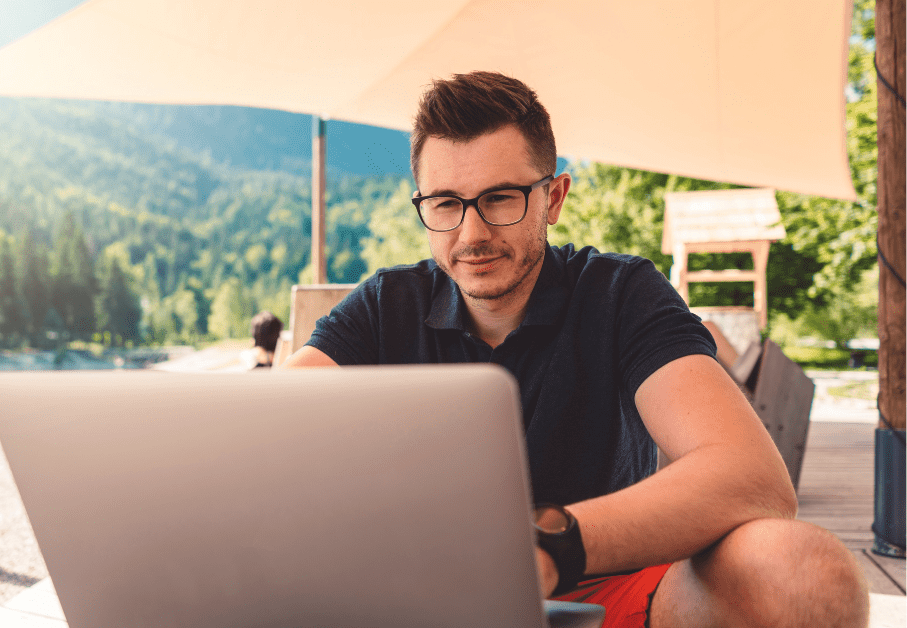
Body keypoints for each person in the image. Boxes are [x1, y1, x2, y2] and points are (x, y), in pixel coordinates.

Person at [281, 71, 868, 628]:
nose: (472, 232)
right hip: (412, 595)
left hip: (599, 593)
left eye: (501, 198)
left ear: (554, 197)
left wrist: (551, 543)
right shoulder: (387, 305)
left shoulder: (620, 293)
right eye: (445, 203)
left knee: (806, 575)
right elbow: (267, 435)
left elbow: (754, 479)